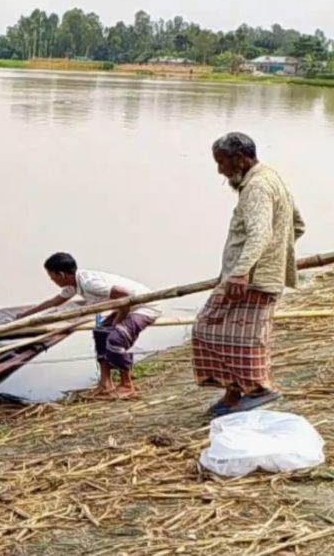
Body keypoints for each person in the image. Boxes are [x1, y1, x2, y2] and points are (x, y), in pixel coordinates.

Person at [194, 132, 304, 417]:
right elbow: (298, 225)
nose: (220, 170)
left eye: (222, 163)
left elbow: (261, 233)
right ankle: (234, 393)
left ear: (239, 159)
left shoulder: (257, 186)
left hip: (251, 281)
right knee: (240, 335)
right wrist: (277, 257)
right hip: (259, 276)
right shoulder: (270, 177)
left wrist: (241, 272)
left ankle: (257, 390)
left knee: (209, 328)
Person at [15, 252, 160, 398]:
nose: (52, 279)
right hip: (126, 306)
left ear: (61, 274)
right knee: (100, 333)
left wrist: (118, 320)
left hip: (144, 306)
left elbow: (126, 296)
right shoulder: (73, 284)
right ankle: (106, 383)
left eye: (52, 276)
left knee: (117, 338)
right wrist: (24, 315)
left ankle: (127, 385)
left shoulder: (90, 284)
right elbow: (54, 302)